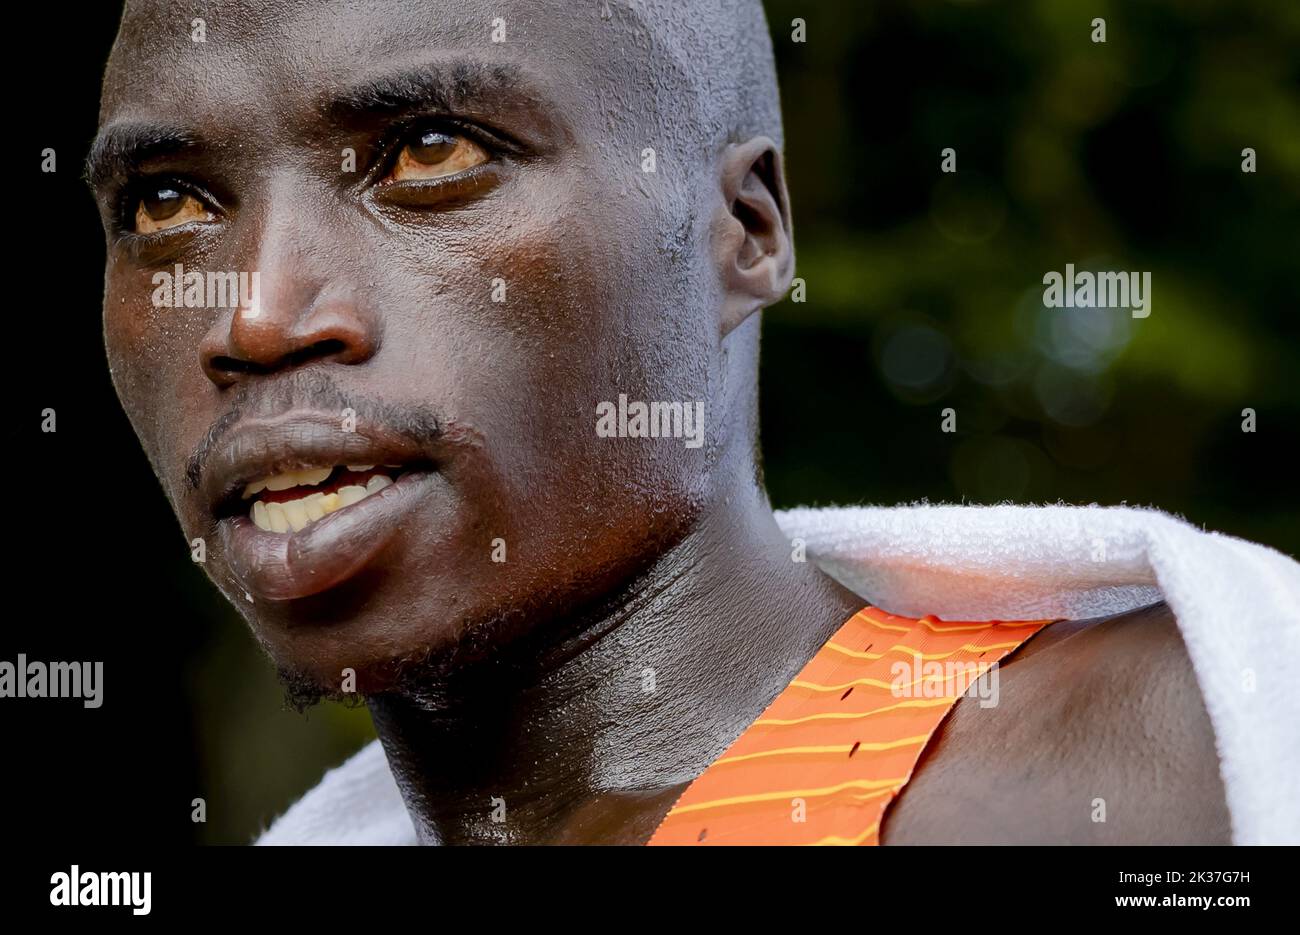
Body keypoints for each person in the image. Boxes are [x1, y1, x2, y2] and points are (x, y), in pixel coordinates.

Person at [90, 0, 1295, 845]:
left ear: (747, 232)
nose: (250, 313)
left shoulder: (1142, 756)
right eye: (165, 203)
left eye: (428, 151)